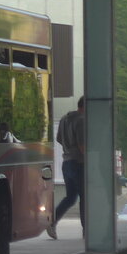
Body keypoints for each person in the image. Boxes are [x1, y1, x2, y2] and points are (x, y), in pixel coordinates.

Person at [49, 96, 85, 239]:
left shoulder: (64, 119)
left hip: (67, 163)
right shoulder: (82, 120)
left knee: (70, 197)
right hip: (79, 163)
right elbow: (83, 146)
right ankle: (87, 230)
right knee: (85, 197)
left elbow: (58, 138)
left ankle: (52, 222)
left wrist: (67, 146)